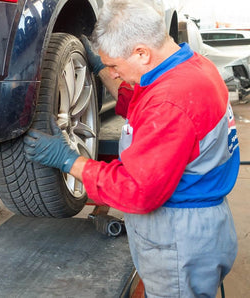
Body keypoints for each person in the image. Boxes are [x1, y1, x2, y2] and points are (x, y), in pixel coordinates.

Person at [23, 0, 239, 296]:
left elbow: (138, 190)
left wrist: (69, 161)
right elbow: (144, 103)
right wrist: (101, 69)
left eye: (114, 66)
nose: (112, 73)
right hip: (201, 224)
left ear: (141, 52)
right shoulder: (193, 68)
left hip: (180, 236)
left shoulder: (170, 102)